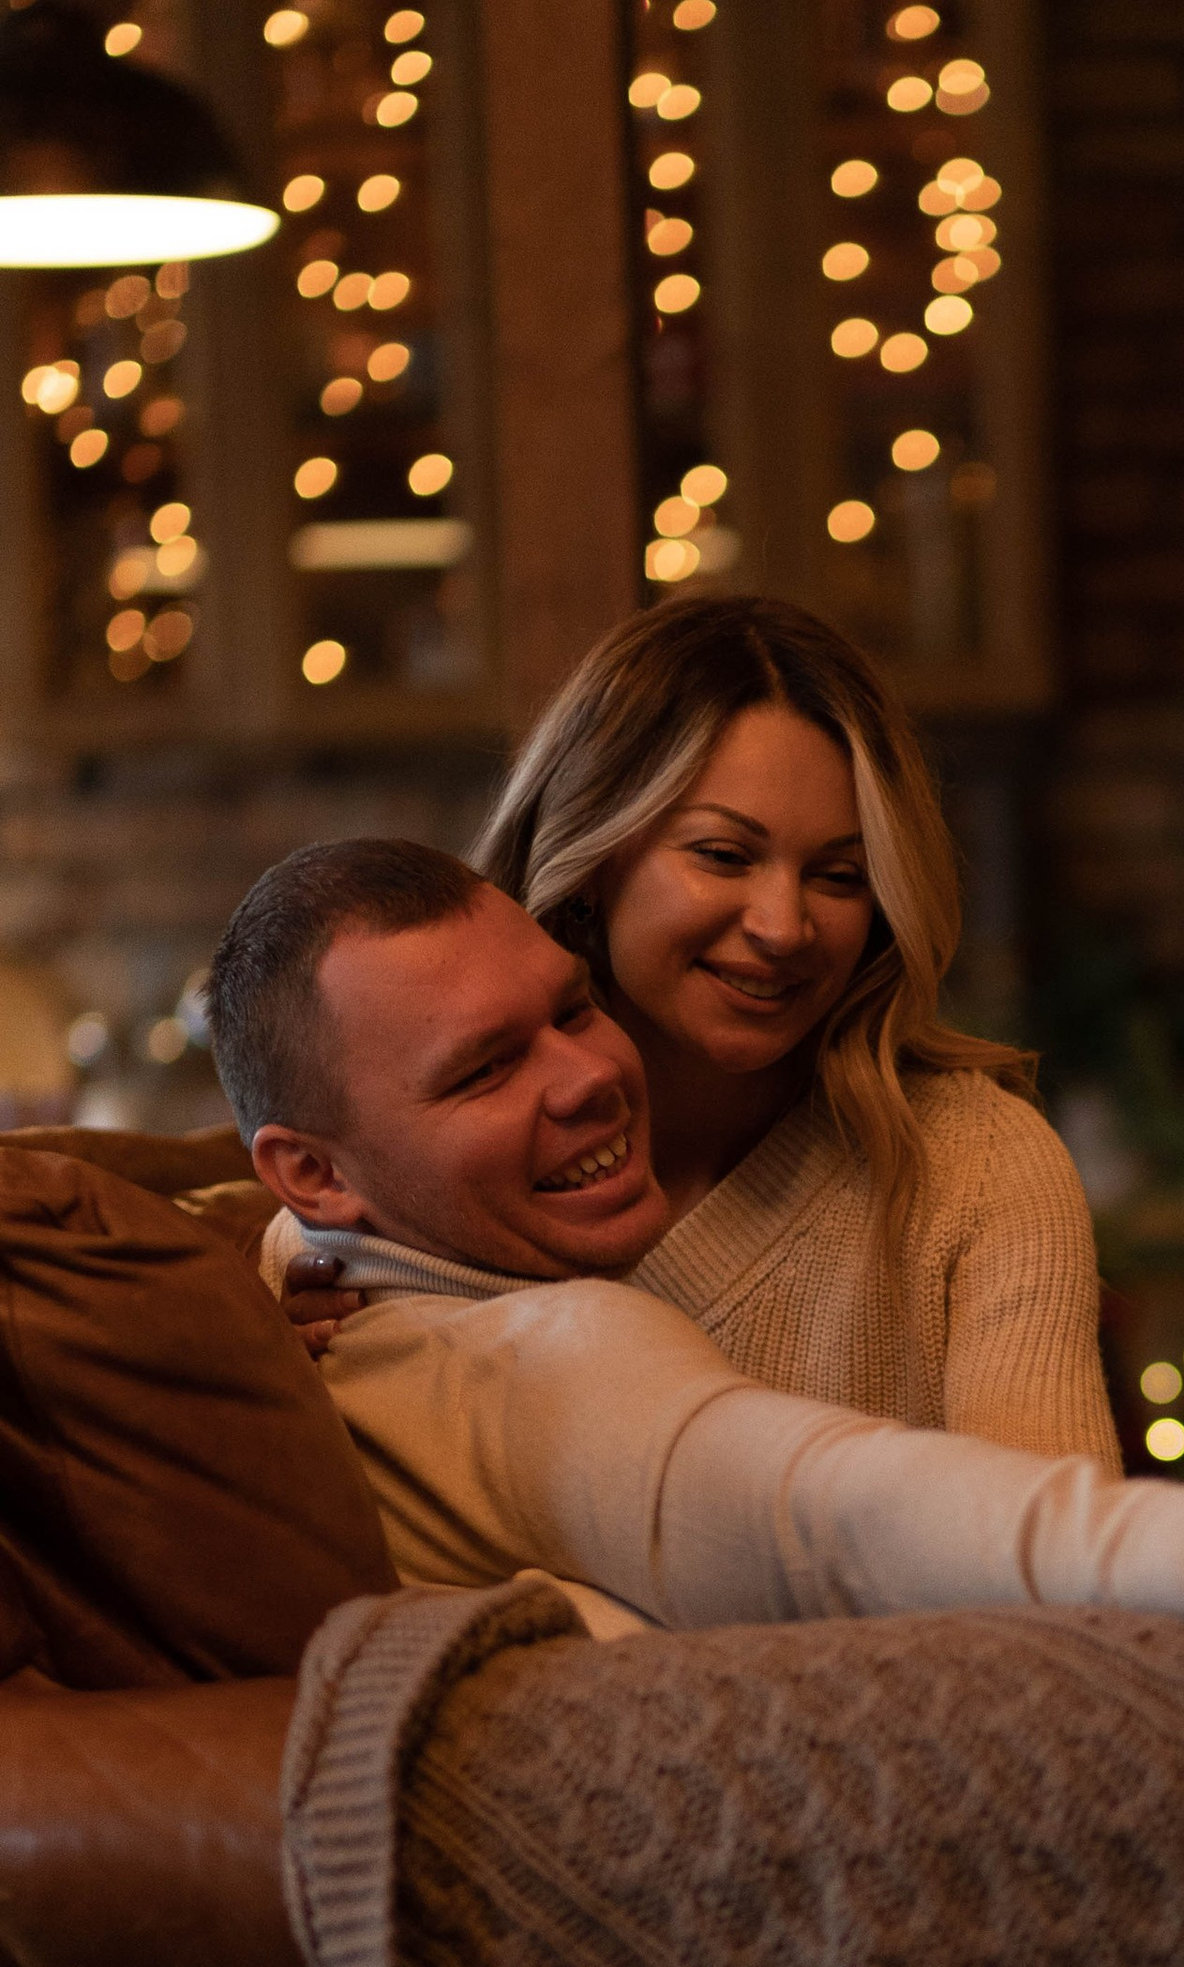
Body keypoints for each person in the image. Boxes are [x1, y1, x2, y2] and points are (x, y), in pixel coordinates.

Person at [205, 837, 1184, 1668]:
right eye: (483, 1070)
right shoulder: (543, 1360)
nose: (585, 1078)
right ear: (313, 1173)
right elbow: (834, 1511)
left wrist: (251, 1270)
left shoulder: (297, 1301)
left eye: (572, 1012)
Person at [283, 593, 1118, 1464]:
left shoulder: (974, 1169)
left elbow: (1057, 1567)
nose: (785, 926)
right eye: (724, 855)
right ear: (591, 854)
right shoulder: (408, 1161)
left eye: (840, 875)